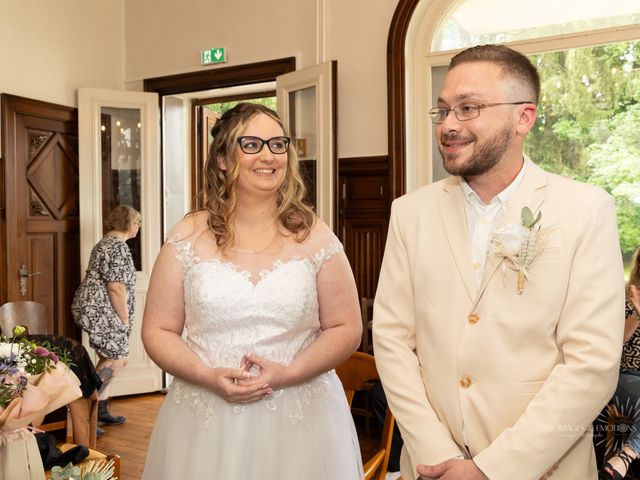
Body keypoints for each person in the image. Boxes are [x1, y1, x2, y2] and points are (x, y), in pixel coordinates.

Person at [372, 44, 625, 480]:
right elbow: (393, 339)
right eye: (443, 110)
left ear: (523, 117)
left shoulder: (585, 209)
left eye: (468, 108)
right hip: (432, 467)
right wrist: (435, 451)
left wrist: (492, 469)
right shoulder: (409, 212)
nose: (449, 125)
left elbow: (591, 365)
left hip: (542, 468)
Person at [140, 103, 363, 479]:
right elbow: (157, 330)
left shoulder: (316, 235)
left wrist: (290, 373)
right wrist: (205, 374)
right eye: (252, 144)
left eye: (278, 144)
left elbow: (347, 327)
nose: (268, 155)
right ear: (224, 159)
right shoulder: (187, 237)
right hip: (206, 420)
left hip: (302, 420)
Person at [71, 204, 141, 432]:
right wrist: (124, 318)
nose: (138, 227)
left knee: (110, 356)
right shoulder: (118, 248)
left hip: (94, 307)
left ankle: (100, 410)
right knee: (116, 359)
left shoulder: (105, 243)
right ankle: (84, 409)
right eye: (138, 223)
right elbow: (116, 288)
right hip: (103, 310)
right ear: (131, 225)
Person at [599, 247, 640, 479]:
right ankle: (626, 457)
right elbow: (617, 341)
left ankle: (624, 458)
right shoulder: (625, 294)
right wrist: (637, 314)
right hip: (625, 373)